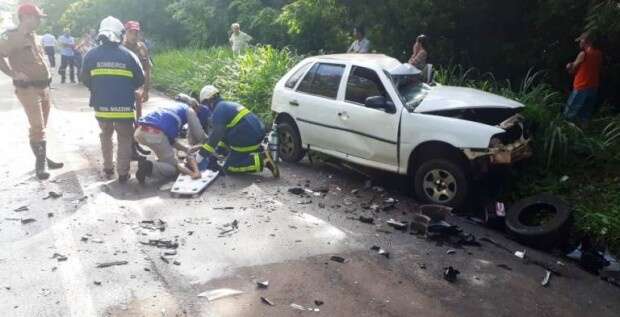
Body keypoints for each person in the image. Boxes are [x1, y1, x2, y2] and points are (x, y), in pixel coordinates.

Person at [0, 3, 63, 180]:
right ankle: (40, 165)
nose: (39, 21)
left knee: (42, 126)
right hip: (28, 89)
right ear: (26, 17)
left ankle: (43, 157)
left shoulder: (34, 36)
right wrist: (13, 73)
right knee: (38, 126)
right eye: (37, 18)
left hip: (43, 87)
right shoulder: (11, 36)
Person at [81, 16, 145, 183]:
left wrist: (98, 89)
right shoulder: (129, 55)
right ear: (120, 33)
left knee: (105, 134)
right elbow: (140, 79)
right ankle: (123, 173)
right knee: (124, 137)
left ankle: (108, 167)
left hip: (101, 107)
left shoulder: (90, 55)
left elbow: (84, 78)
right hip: (124, 107)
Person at [192, 85, 279, 177]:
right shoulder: (227, 105)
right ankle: (257, 151)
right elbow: (224, 134)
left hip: (248, 137)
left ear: (209, 100)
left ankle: (262, 160)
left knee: (229, 167)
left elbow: (216, 135)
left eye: (205, 104)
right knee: (230, 152)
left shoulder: (218, 110)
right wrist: (220, 150)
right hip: (255, 134)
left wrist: (201, 155)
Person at [134, 94, 212, 184]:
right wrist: (211, 141)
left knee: (164, 156)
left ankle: (153, 165)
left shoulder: (170, 107)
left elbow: (170, 140)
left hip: (140, 132)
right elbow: (200, 135)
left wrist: (186, 149)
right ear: (193, 106)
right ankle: (149, 166)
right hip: (155, 134)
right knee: (173, 168)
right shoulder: (189, 109)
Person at [564, 32, 603, 123]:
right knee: (584, 117)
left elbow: (572, 68)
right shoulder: (599, 54)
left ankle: (566, 134)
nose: (579, 43)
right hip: (593, 87)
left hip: (581, 87)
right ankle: (583, 135)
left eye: (581, 40)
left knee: (568, 115)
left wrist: (568, 66)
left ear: (586, 41)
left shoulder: (583, 54)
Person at [123, 21, 151, 102]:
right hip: (123, 87)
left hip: (138, 87)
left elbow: (147, 70)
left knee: (139, 111)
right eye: (130, 32)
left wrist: (146, 90)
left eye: (136, 33)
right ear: (125, 33)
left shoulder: (142, 48)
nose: (133, 36)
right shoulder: (120, 48)